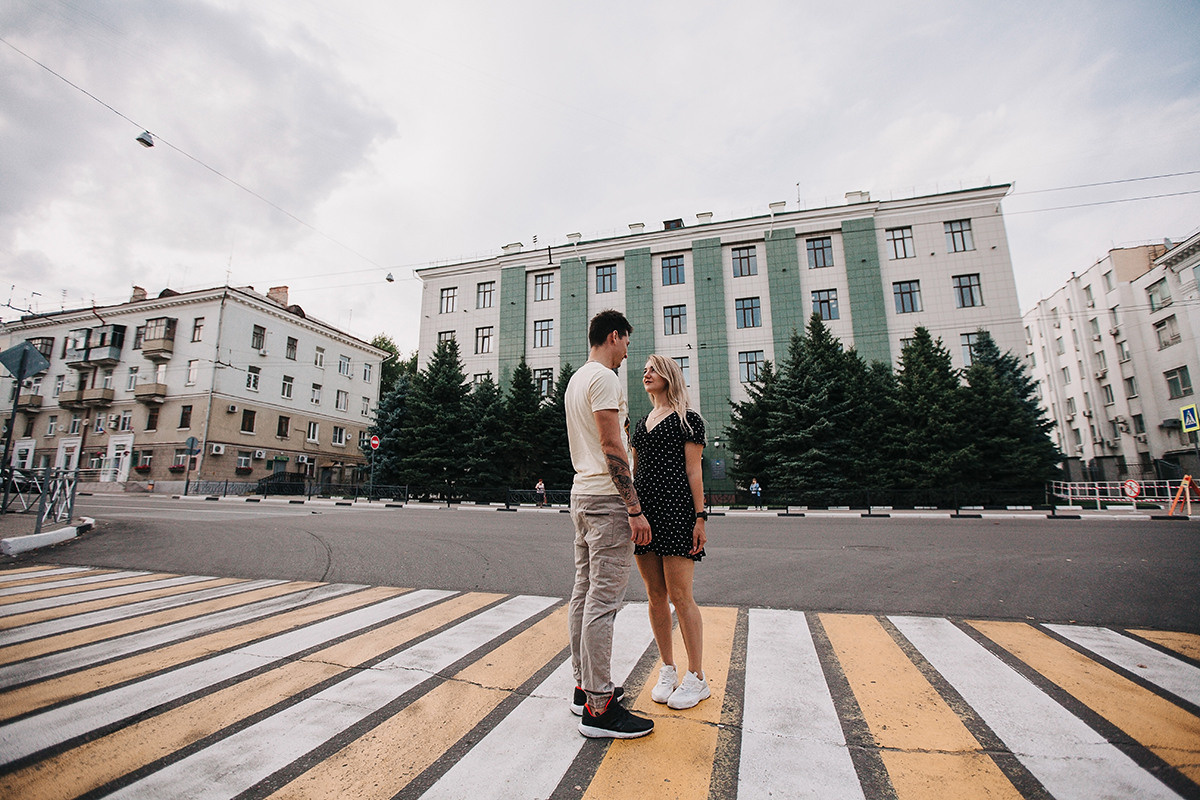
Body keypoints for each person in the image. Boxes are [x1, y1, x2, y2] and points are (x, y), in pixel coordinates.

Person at [565, 310, 654, 739]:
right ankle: (600, 711)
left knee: (583, 593)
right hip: (605, 498)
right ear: (614, 336)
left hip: (582, 494)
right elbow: (610, 443)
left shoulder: (576, 380)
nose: (626, 355)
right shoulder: (604, 378)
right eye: (626, 345)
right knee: (603, 601)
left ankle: (585, 689)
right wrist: (634, 508)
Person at [630, 354, 710, 710]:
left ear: (669, 376)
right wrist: (632, 513)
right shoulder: (640, 422)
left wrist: (700, 517)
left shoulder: (688, 420)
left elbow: (695, 473)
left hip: (678, 514)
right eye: (645, 370)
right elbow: (634, 474)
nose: (646, 374)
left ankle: (697, 677)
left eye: (653, 369)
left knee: (681, 596)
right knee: (655, 595)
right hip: (644, 517)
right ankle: (668, 669)